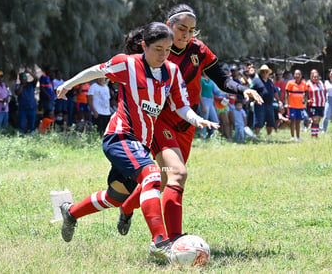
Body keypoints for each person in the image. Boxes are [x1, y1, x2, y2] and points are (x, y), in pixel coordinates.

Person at [55, 22, 218, 262]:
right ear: (144, 46)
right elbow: (96, 71)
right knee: (153, 175)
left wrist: (197, 119)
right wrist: (68, 85)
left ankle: (71, 213)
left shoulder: (171, 71)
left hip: (140, 144)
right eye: (158, 49)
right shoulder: (127, 63)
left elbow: (181, 105)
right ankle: (160, 242)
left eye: (168, 49)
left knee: (115, 196)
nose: (164, 55)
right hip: (119, 136)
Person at [117, 4, 263, 243]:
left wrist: (243, 89)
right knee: (178, 173)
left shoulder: (198, 50)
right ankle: (174, 241)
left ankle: (128, 206)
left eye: (191, 30)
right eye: (181, 28)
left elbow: (222, 79)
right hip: (160, 121)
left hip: (187, 124)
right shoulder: (155, 50)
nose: (186, 35)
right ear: (169, 26)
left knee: (165, 178)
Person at [250, 64, 281, 136]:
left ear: (268, 73)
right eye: (263, 72)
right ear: (260, 73)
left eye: (266, 72)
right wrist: (253, 99)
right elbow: (250, 90)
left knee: (270, 121)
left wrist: (279, 101)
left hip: (270, 104)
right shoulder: (256, 81)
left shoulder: (270, 82)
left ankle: (269, 136)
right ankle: (256, 135)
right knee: (259, 121)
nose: (264, 73)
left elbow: (275, 92)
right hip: (259, 104)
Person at [285, 69, 308, 141]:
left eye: (299, 74)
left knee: (298, 121)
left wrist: (305, 99)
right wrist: (286, 103)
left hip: (300, 106)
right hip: (292, 105)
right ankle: (292, 136)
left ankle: (298, 137)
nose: (297, 76)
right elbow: (286, 93)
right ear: (294, 75)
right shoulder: (290, 83)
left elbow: (306, 92)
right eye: (296, 74)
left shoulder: (304, 83)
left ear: (301, 76)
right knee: (292, 121)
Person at [15, 70, 38, 134]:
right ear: (20, 79)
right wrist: (22, 85)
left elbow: (36, 78)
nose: (24, 79)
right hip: (22, 109)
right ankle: (21, 136)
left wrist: (29, 72)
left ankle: (31, 136)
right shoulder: (17, 85)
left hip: (32, 108)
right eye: (22, 77)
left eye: (25, 77)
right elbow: (18, 93)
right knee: (21, 125)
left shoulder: (31, 84)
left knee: (31, 125)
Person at [198, 71, 220, 138]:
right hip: (204, 100)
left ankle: (214, 138)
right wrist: (203, 105)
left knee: (215, 120)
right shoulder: (201, 79)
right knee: (204, 120)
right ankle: (202, 137)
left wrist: (214, 105)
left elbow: (212, 93)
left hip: (211, 101)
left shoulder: (210, 80)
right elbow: (199, 94)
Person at [306, 69, 326, 138]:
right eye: (314, 77)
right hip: (313, 105)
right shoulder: (308, 84)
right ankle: (313, 135)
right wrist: (307, 100)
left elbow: (324, 91)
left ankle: (316, 134)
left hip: (321, 104)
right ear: (311, 77)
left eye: (317, 76)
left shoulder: (321, 83)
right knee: (315, 119)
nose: (316, 78)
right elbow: (304, 93)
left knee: (318, 120)